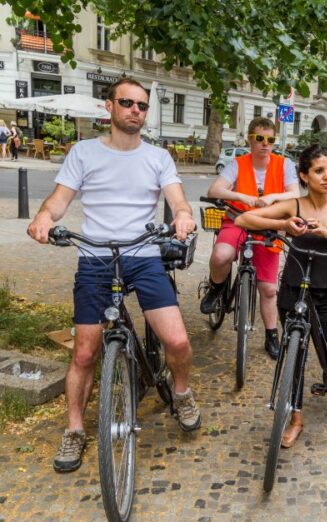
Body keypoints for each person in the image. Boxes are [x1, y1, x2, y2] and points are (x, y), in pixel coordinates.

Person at [26, 77, 201, 473]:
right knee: (85, 352)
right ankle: (73, 431)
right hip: (96, 259)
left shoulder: (158, 157)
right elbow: (58, 200)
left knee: (176, 339)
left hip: (143, 254)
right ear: (110, 107)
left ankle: (182, 392)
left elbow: (177, 198)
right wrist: (43, 217)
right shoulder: (84, 152)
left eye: (141, 105)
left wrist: (185, 216)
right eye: (127, 103)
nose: (135, 110)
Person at [235, 144, 327, 447]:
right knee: (295, 359)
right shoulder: (295, 205)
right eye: (319, 171)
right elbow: (243, 221)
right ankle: (295, 419)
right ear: (304, 175)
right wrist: (284, 225)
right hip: (295, 292)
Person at [200, 117, 301, 359]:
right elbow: (214, 190)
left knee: (268, 289)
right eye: (259, 138)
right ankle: (216, 288)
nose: (265, 144)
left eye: (270, 139)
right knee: (221, 254)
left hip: (268, 225)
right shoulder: (237, 163)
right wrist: (244, 198)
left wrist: (273, 197)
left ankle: (271, 335)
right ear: (250, 139)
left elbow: (295, 193)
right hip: (237, 219)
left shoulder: (284, 163)